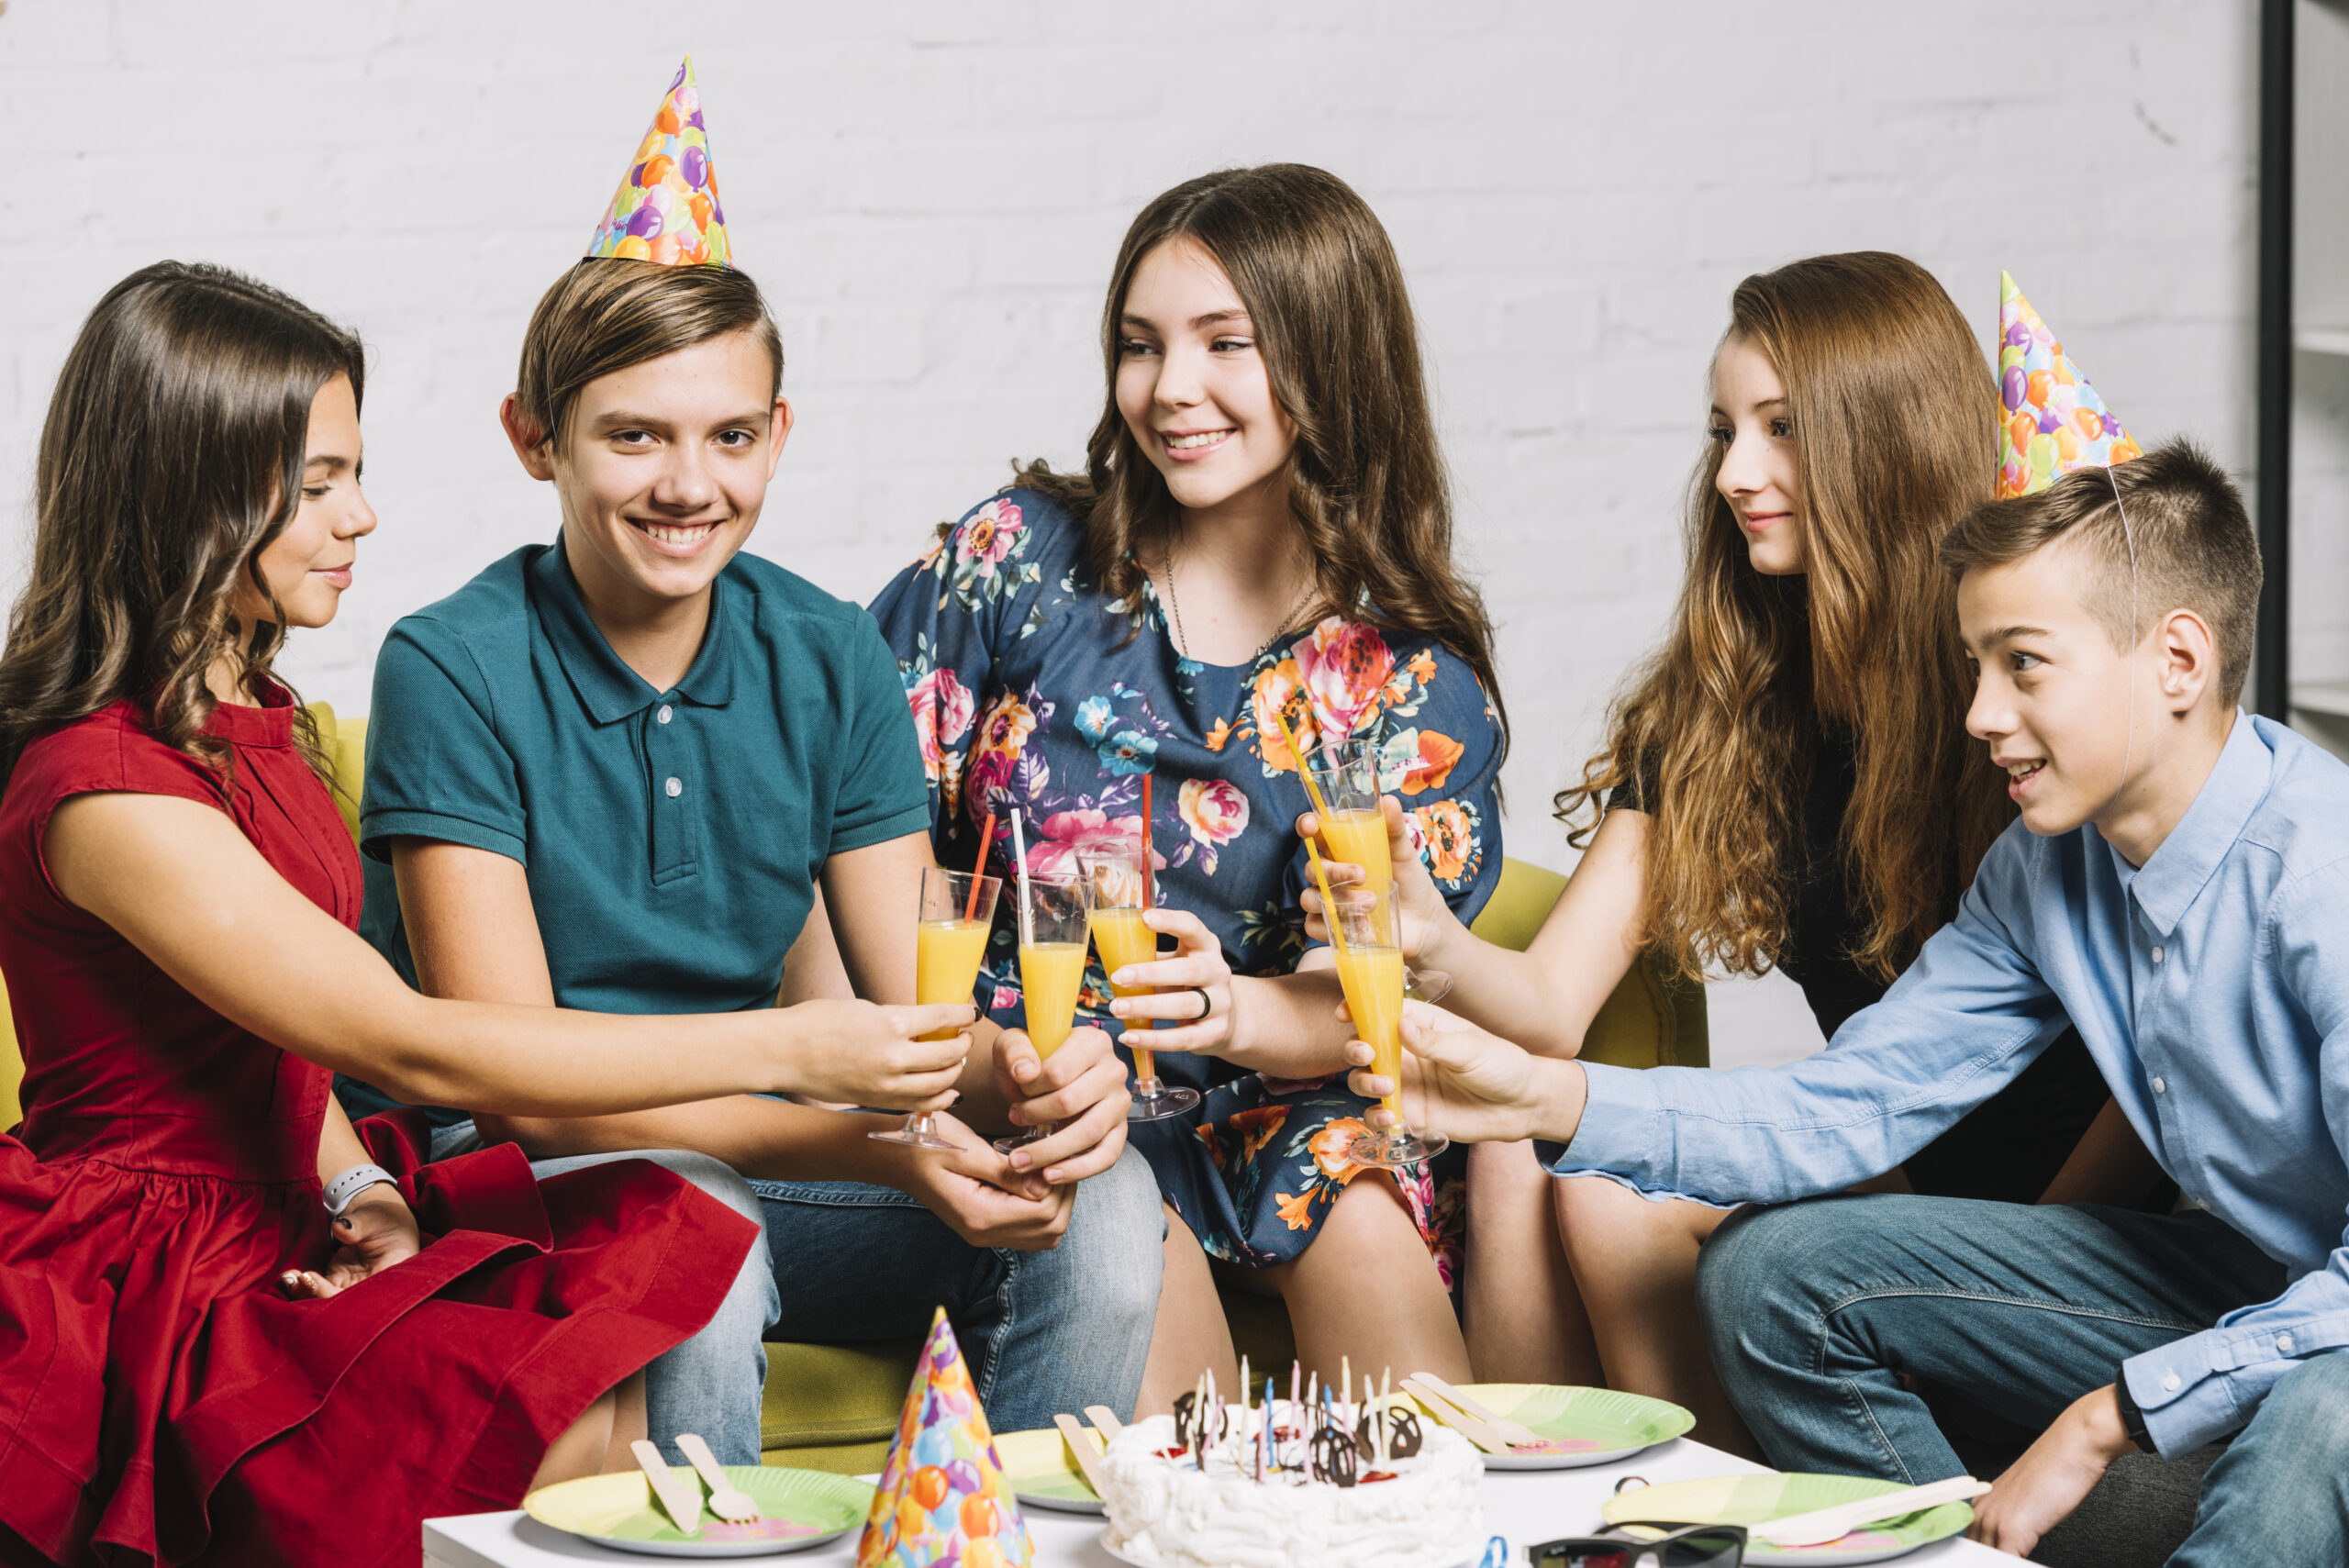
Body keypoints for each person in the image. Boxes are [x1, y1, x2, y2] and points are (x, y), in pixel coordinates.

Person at [0, 261, 980, 1567]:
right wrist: (797, 1049)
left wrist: (361, 1189)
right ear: (186, 495)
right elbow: (404, 1039)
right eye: (316, 486)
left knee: (639, 1309)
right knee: (583, 1416)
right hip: (143, 1261)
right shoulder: (107, 788)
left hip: (293, 1205)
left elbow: (273, 1041)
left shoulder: (249, 722)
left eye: (356, 471)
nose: (363, 516)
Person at [339, 61, 1163, 1462]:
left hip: (749, 1155)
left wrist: (1030, 1079)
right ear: (534, 439)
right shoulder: (448, 662)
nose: (687, 484)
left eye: (729, 436)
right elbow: (529, 1090)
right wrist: (867, 1125)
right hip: (531, 1176)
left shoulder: (829, 650)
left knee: (1111, 1201)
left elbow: (913, 1006)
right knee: (694, 1244)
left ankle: (991, 1547)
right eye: (634, 436)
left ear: (779, 436)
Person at [1349, 441, 2349, 1564]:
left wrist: (2106, 1415)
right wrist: (1545, 1096)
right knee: (1773, 1276)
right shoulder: (2043, 870)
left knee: (2323, 1406)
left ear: (2175, 659)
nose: (1977, 711)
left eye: (2022, 663)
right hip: (2245, 1275)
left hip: (2335, 1321)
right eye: (1975, 663)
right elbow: (1844, 1105)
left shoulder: (2321, 878)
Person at [1308, 252, 2116, 1448]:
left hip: (2070, 1210)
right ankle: (1598, 1517)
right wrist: (1427, 936)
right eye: (1725, 429)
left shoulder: (2017, 690)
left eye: (1780, 430)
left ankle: (1713, 1513)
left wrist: (2013, 1275)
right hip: (1882, 1152)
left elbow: (2154, 1066)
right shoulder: (1726, 700)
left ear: (1883, 442)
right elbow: (1544, 1006)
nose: (1736, 473)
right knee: (1543, 1159)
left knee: (1596, 1175)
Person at [870, 163, 1508, 1407]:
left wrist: (1235, 1019)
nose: (1172, 390)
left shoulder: (1412, 687)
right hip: (1040, 1082)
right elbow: (850, 817)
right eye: (1140, 345)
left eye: (1228, 344)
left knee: (1366, 1231)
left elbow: (1364, 1001)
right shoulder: (1018, 562)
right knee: (1172, 1471)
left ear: (1331, 360)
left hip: (1275, 1093)